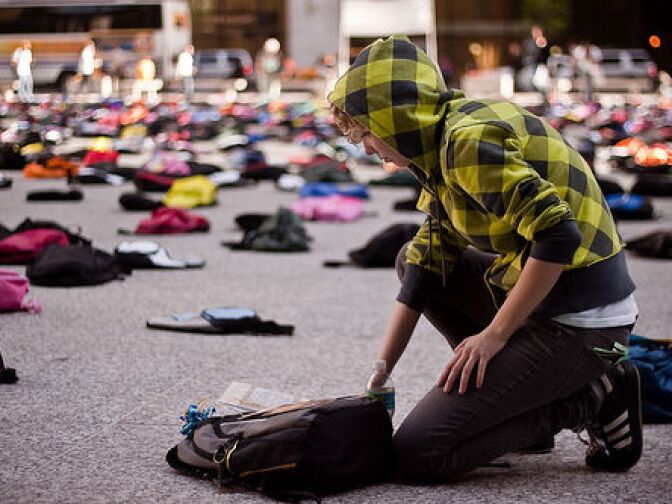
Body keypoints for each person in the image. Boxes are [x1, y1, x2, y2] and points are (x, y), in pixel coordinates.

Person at [328, 35, 642, 482]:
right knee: (411, 259)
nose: (364, 146)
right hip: (545, 294)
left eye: (365, 132)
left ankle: (592, 393)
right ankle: (521, 408)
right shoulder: (438, 144)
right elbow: (423, 268)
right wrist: (382, 370)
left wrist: (494, 336)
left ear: (395, 119)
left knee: (421, 454)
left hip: (580, 314)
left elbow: (557, 236)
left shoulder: (466, 142)